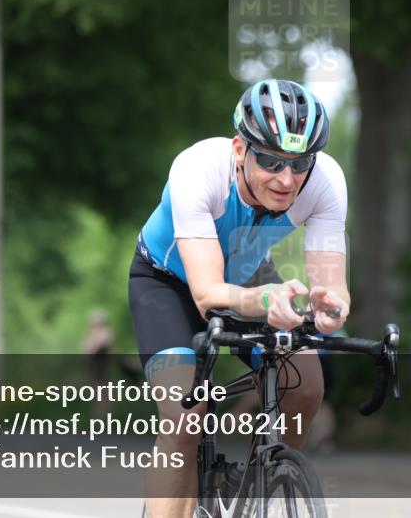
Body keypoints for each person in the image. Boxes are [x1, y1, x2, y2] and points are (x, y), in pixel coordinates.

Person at [128, 79, 349, 518]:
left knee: (306, 386)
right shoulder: (198, 168)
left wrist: (328, 310)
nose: (287, 179)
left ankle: (263, 482)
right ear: (239, 150)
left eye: (300, 162)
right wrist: (268, 301)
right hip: (168, 282)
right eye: (270, 161)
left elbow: (334, 288)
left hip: (249, 276)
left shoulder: (325, 181)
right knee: (184, 419)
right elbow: (208, 294)